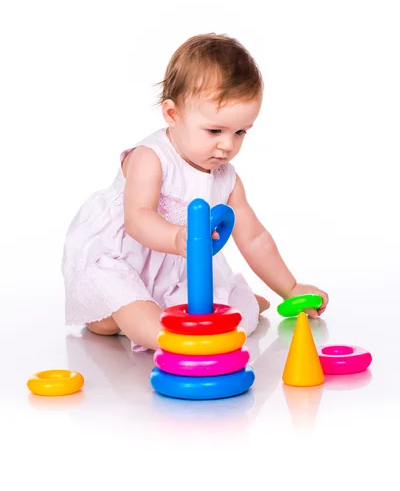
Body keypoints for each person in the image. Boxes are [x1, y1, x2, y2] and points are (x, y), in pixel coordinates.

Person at [62, 33, 329, 352]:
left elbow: (254, 238)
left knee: (231, 309)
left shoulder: (226, 179)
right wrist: (177, 238)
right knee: (117, 303)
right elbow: (138, 219)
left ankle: (240, 304)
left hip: (181, 270)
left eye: (240, 132)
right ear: (173, 115)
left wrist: (290, 287)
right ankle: (172, 342)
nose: (228, 145)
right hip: (123, 257)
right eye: (215, 130)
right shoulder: (151, 158)